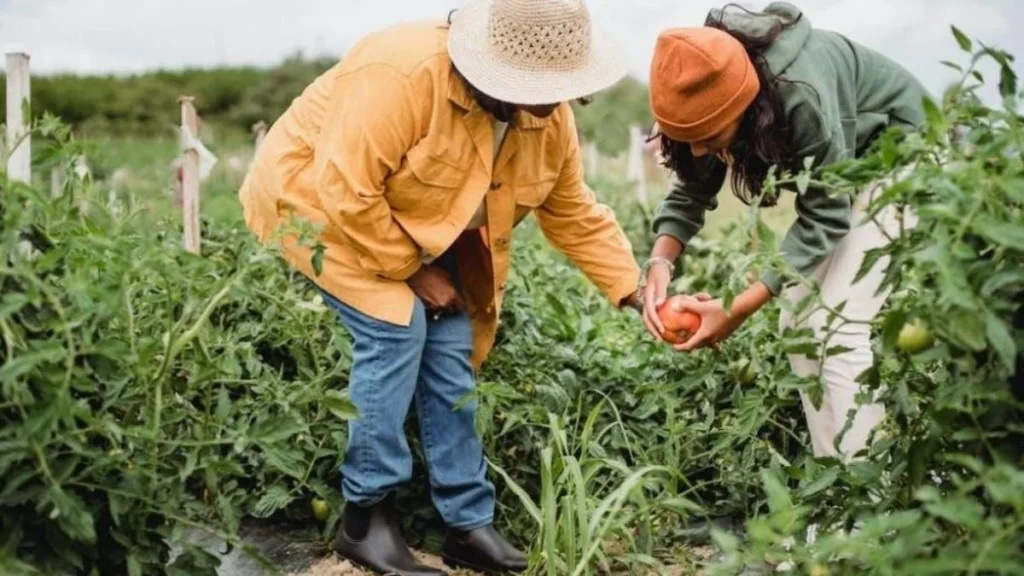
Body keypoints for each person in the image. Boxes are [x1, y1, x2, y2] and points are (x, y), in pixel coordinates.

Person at [238, 0, 642, 574]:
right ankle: (365, 518)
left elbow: (573, 211)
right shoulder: (402, 76)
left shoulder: (547, 119)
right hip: (315, 207)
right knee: (396, 327)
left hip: (406, 223)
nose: (555, 104)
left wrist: (634, 291)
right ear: (495, 69)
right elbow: (345, 190)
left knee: (451, 337)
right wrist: (415, 272)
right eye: (541, 88)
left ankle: (466, 523)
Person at [640, 2, 929, 463]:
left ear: (748, 109)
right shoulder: (703, 83)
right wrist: (660, 262)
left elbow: (826, 216)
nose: (698, 149)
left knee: (837, 325)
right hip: (851, 173)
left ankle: (869, 511)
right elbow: (690, 191)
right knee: (796, 321)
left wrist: (734, 310)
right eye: (687, 137)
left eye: (711, 137)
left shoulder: (800, 94)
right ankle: (834, 489)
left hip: (905, 159)